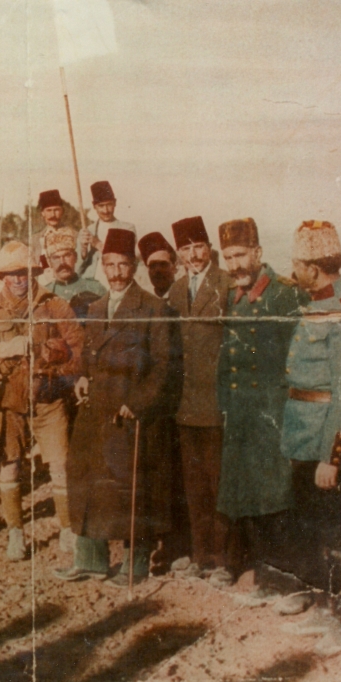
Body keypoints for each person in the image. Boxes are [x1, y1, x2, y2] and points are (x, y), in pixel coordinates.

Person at [59, 228, 173, 585]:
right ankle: (90, 559)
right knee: (85, 479)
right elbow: (89, 358)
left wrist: (136, 404)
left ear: (134, 266)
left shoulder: (153, 308)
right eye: (109, 264)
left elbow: (164, 366)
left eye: (123, 265)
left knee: (131, 488)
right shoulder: (94, 308)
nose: (116, 273)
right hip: (95, 412)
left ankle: (135, 564)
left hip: (128, 415)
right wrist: (81, 376)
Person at [0, 241, 84, 560]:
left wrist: (54, 370)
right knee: (10, 467)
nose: (19, 280)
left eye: (26, 273)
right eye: (12, 274)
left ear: (35, 272)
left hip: (48, 399)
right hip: (8, 403)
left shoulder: (55, 305)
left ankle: (68, 530)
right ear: (2, 276)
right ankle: (16, 534)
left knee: (60, 467)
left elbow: (80, 352)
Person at [279, 221, 341, 637]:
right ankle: (320, 600)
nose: (292, 270)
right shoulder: (318, 300)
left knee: (332, 531)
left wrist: (334, 457)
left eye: (296, 263)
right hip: (303, 433)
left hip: (323, 441)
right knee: (310, 524)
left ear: (313, 266)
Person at [216, 217, 304, 602]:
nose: (234, 265)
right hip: (241, 414)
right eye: (228, 256)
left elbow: (298, 360)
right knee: (247, 495)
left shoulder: (284, 295)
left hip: (274, 413)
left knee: (277, 498)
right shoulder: (234, 296)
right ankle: (258, 573)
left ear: (258, 253)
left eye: (240, 255)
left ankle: (290, 584)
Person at [166, 216, 233, 585]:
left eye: (198, 247)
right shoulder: (175, 292)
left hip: (217, 405)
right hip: (186, 407)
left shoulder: (225, 285)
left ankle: (223, 560)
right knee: (193, 487)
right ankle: (199, 554)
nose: (193, 255)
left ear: (209, 248)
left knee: (218, 483)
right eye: (186, 249)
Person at [137, 231, 188, 571]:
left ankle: (185, 543)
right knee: (158, 476)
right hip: (157, 403)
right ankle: (163, 543)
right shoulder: (142, 304)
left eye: (164, 264)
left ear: (175, 264)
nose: (158, 271)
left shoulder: (185, 297)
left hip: (186, 399)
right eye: (152, 266)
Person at [76, 180, 136, 285]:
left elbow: (125, 258)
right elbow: (77, 270)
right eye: (101, 206)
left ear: (115, 203)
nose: (106, 210)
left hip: (117, 281)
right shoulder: (87, 231)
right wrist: (83, 251)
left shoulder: (127, 228)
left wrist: (97, 244)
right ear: (94, 206)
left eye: (109, 205)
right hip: (92, 284)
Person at [44, 227, 105, 319]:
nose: (62, 263)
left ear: (75, 257)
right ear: (49, 262)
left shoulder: (95, 288)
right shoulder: (45, 294)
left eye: (67, 255)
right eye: (56, 258)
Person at [32, 189, 68, 268]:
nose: (53, 215)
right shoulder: (35, 239)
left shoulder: (74, 235)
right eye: (49, 210)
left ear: (62, 211)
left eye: (56, 210)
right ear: (42, 213)